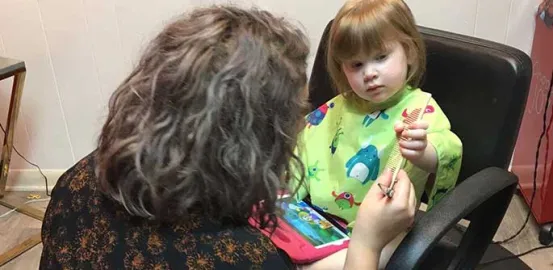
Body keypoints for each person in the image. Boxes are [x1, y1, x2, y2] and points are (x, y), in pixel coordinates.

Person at [39, 5, 415, 270]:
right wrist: (366, 243)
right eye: (294, 117)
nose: (301, 126)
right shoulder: (242, 257)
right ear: (245, 148)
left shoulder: (79, 180)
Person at [291, 0, 463, 267]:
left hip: (386, 231)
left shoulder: (421, 110)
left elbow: (447, 149)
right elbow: (302, 150)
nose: (369, 73)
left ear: (409, 52)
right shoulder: (340, 106)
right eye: (356, 65)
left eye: (381, 57)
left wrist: (423, 151)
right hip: (320, 218)